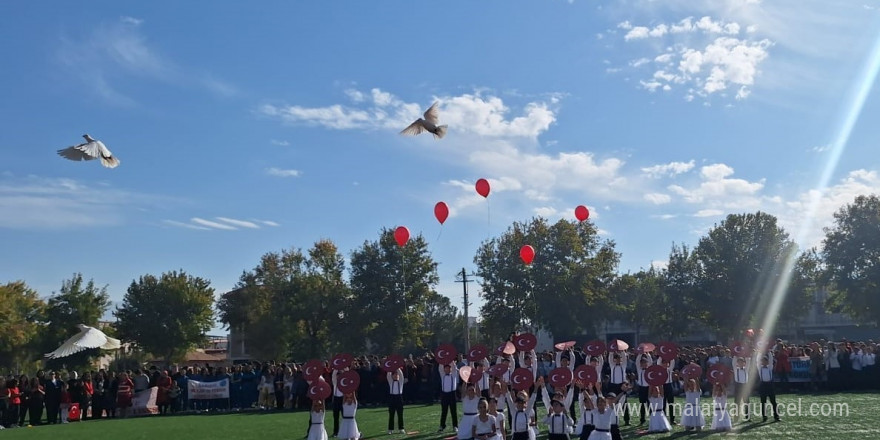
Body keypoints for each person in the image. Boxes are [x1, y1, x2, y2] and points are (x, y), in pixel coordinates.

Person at [757, 352, 780, 422]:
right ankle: (764, 416)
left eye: (765, 361)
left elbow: (771, 359)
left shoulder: (770, 367)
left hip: (770, 385)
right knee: (763, 402)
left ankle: (776, 416)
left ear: (767, 362)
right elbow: (757, 361)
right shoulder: (759, 368)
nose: (764, 362)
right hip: (763, 385)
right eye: (763, 361)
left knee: (773, 401)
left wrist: (769, 351)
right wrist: (759, 352)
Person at [438, 361, 459, 433]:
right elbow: (440, 367)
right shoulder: (442, 375)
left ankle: (455, 426)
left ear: (450, 369)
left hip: (452, 394)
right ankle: (442, 426)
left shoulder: (453, 374)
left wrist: (450, 359)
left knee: (453, 411)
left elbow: (454, 367)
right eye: (445, 368)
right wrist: (443, 359)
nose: (447, 369)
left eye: (448, 368)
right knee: (444, 411)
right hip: (444, 395)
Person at [387, 368, 405, 434]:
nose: (396, 375)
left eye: (397, 374)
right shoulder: (390, 382)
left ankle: (401, 428)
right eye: (394, 374)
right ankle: (390, 429)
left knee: (400, 414)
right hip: (392, 398)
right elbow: (388, 374)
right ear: (392, 376)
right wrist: (391, 366)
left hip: (399, 398)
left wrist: (397, 367)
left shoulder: (400, 382)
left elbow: (401, 374)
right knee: (391, 414)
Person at [732, 355, 751, 421]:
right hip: (738, 386)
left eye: (742, 362)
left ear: (744, 363)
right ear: (737, 363)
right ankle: (736, 417)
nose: (740, 363)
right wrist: (736, 355)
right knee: (737, 402)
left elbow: (748, 361)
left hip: (745, 386)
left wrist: (746, 354)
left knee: (747, 402)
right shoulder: (735, 369)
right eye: (739, 362)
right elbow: (733, 362)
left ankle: (747, 416)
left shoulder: (746, 369)